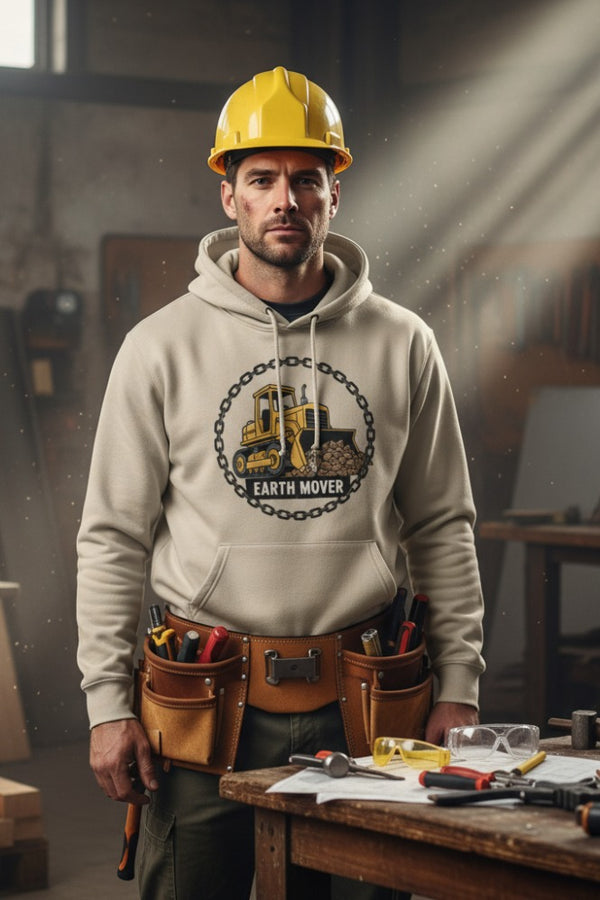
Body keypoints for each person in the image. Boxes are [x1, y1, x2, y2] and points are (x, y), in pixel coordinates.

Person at [77, 66, 485, 899]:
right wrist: (107, 705)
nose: (284, 200)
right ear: (229, 196)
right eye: (261, 179)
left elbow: (443, 524)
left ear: (336, 192)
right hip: (203, 706)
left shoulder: (404, 344)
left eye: (306, 179)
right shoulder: (160, 349)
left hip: (371, 704)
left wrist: (462, 689)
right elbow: (113, 538)